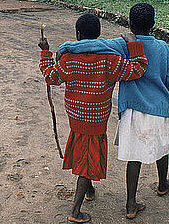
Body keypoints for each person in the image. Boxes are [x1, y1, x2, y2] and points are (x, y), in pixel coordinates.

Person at [59, 3, 169, 220]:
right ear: (153, 24)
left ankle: (130, 204)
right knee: (162, 146)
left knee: (134, 156)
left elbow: (92, 45)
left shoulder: (121, 45)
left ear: (130, 24)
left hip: (132, 107)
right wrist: (163, 96)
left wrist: (65, 47)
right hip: (159, 107)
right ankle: (162, 183)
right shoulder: (162, 47)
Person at [39, 13, 148, 223]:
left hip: (76, 116)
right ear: (99, 35)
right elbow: (137, 69)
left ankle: (89, 191)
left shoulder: (69, 58)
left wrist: (45, 53)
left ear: (78, 35)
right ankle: (75, 211)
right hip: (97, 119)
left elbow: (51, 77)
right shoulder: (110, 59)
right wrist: (134, 45)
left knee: (84, 152)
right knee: (88, 161)